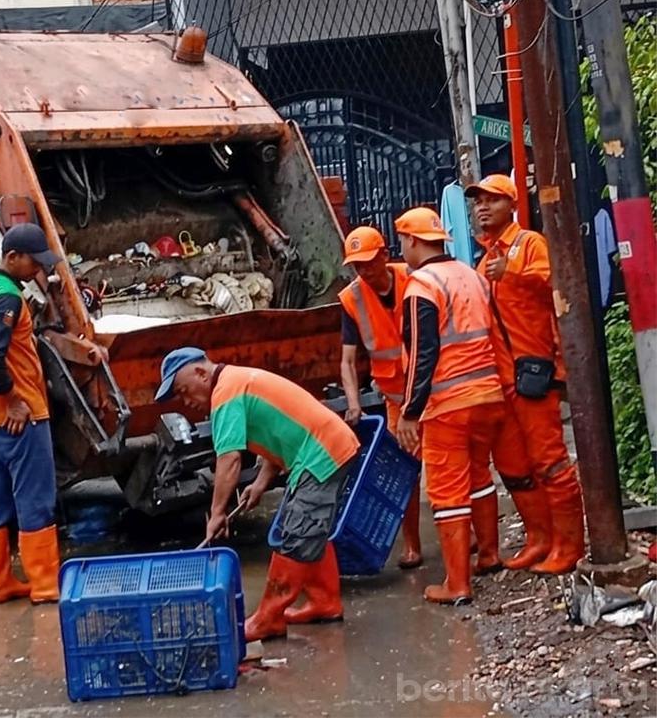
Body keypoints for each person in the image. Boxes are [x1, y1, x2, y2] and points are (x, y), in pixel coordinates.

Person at [156, 348, 360, 642]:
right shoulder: (237, 382)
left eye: (184, 391)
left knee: (296, 532)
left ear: (201, 373)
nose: (187, 402)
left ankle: (269, 618)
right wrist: (260, 483)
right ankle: (324, 602)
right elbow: (275, 433)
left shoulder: (225, 394)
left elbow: (229, 460)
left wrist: (217, 513)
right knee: (310, 528)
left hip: (322, 452)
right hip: (321, 448)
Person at [394, 207, 538, 605]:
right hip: (488, 395)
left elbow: (424, 351)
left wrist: (410, 410)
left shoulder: (421, 284)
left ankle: (456, 583)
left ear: (412, 241)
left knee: (447, 492)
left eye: (403, 241)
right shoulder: (471, 275)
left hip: (448, 404)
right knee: (479, 477)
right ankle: (489, 553)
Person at [468, 174, 586, 574]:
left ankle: (569, 545)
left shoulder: (528, 245)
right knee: (516, 467)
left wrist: (513, 273)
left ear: (512, 205)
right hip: (502, 381)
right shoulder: (485, 261)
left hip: (534, 373)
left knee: (549, 460)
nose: (482, 208)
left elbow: (560, 286)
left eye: (491, 201)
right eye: (477, 202)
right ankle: (540, 538)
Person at [0, 223, 62, 605]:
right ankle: (45, 585)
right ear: (12, 258)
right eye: (33, 263)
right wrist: (14, 399)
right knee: (35, 496)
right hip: (21, 417)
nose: (38, 270)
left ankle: (1, 583)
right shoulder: (8, 299)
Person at [337, 226, 422, 569]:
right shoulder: (351, 299)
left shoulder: (414, 278)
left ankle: (468, 534)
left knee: (455, 468)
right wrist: (353, 403)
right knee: (405, 473)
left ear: (385, 256)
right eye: (357, 267)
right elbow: (346, 360)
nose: (364, 273)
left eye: (368, 264)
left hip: (432, 392)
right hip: (395, 400)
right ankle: (412, 546)